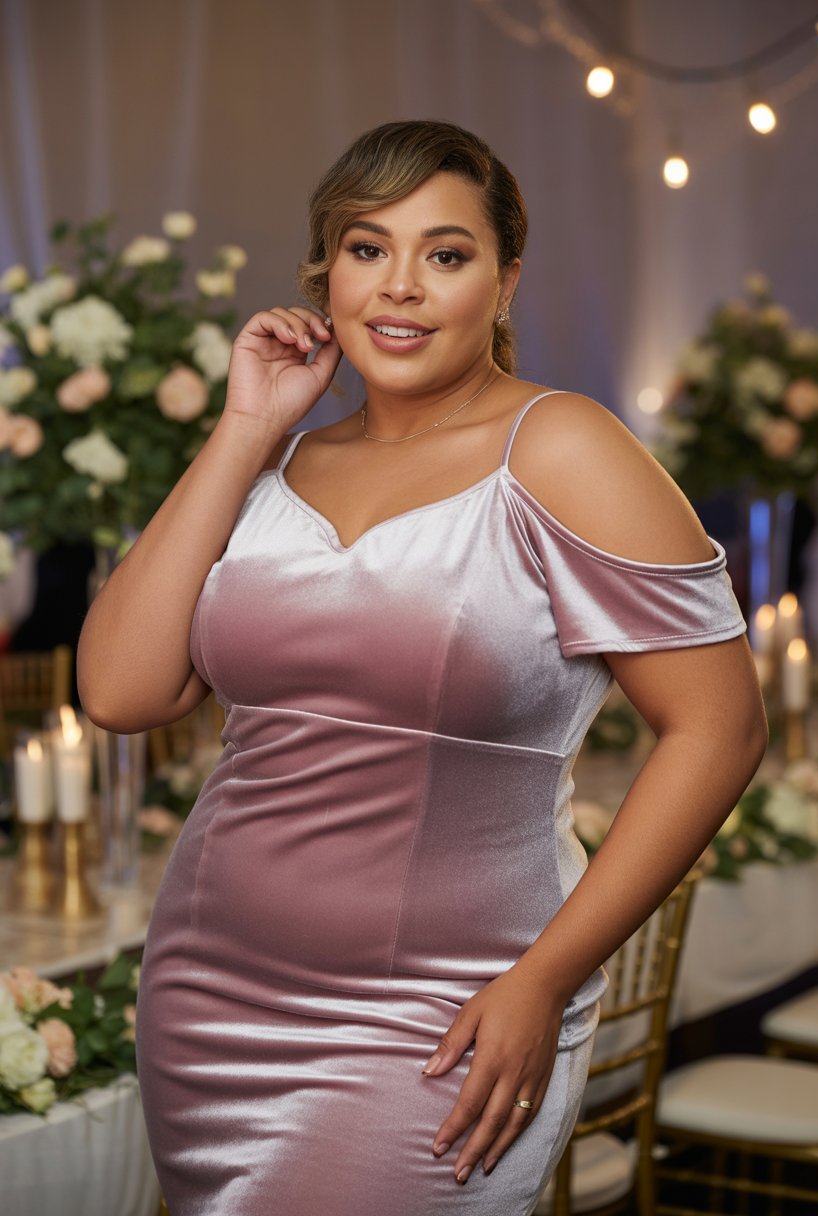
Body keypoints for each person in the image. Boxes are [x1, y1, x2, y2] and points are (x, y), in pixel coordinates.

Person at [77, 120, 767, 1215]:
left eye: (444, 255)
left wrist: (543, 978)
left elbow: (721, 729)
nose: (399, 287)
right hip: (211, 989)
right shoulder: (277, 461)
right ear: (325, 273)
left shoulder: (561, 447)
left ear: (503, 283)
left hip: (454, 1008)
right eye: (366, 249)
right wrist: (243, 429)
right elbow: (118, 693)